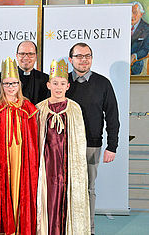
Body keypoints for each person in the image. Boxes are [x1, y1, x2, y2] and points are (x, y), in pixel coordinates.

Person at [66, 42, 120, 235]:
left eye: (87, 56)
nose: (84, 60)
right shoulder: (62, 82)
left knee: (88, 188)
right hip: (64, 147)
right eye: (79, 56)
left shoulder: (103, 83)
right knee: (65, 188)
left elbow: (112, 116)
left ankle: (88, 230)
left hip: (92, 146)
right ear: (71, 59)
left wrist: (112, 146)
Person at [0, 57, 39, 235]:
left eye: (14, 83)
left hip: (22, 158)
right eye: (6, 83)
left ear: (19, 84)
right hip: (1, 157)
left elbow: (33, 139)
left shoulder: (28, 107)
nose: (11, 87)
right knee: (1, 187)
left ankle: (19, 225)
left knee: (19, 187)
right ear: (1, 85)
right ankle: (4, 227)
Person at [36, 59, 90, 235]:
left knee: (66, 197)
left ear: (68, 86)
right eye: (55, 83)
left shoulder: (74, 109)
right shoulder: (40, 110)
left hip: (68, 166)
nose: (58, 87)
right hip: (46, 165)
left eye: (62, 84)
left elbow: (79, 141)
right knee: (48, 197)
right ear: (48, 84)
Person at [131, 1, 149, 75]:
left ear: (141, 14)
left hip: (137, 66)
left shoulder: (147, 29)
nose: (131, 15)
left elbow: (145, 49)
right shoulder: (122, 26)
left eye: (134, 12)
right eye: (129, 12)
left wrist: (135, 55)